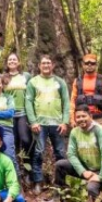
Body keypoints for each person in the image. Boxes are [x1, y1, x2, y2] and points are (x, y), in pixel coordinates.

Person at [41, 105, 102, 202]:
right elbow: (71, 154)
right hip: (87, 168)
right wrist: (83, 172)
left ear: (90, 116)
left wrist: (101, 176)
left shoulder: (99, 131)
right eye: (78, 117)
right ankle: (58, 198)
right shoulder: (75, 132)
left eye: (84, 116)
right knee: (60, 165)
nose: (81, 119)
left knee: (91, 188)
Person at [26, 55, 70, 194]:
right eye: (43, 63)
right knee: (38, 152)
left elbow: (66, 102)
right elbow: (28, 102)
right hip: (40, 124)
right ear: (39, 66)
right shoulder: (33, 82)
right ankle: (38, 181)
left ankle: (60, 183)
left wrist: (65, 122)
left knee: (60, 153)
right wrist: (33, 121)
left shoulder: (60, 82)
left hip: (57, 123)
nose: (46, 65)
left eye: (48, 63)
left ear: (52, 65)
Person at [69, 53, 102, 130]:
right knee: (83, 142)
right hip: (81, 119)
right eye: (87, 63)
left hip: (99, 118)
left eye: (92, 63)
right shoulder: (77, 81)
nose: (89, 65)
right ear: (83, 65)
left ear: (96, 65)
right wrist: (72, 119)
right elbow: (72, 101)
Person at [3, 54, 32, 177]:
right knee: (12, 143)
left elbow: (31, 93)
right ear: (7, 63)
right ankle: (15, 171)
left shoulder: (25, 76)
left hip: (23, 113)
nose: (12, 61)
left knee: (26, 140)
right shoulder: (3, 77)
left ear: (19, 62)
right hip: (9, 114)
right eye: (10, 59)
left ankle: (27, 168)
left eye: (14, 59)